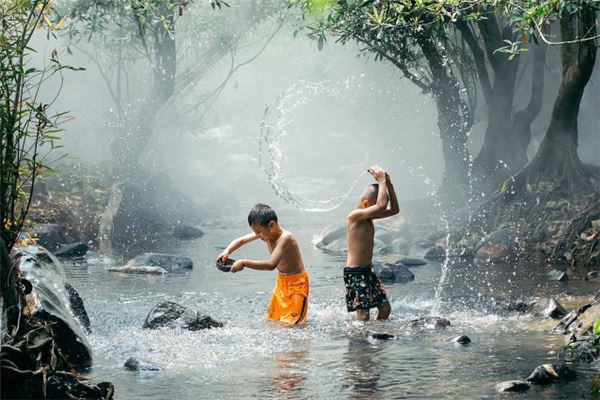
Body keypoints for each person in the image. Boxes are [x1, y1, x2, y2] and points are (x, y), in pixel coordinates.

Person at [218, 204, 309, 325]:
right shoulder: (266, 234)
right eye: (255, 232)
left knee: (293, 325)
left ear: (272, 225)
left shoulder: (286, 238)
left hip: (297, 285)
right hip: (281, 283)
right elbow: (241, 241)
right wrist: (227, 251)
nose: (257, 235)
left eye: (259, 232)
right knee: (272, 321)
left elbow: (271, 264)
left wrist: (244, 263)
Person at [344, 165, 399, 321]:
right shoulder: (355, 216)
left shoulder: (368, 217)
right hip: (355, 273)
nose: (381, 210)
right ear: (367, 205)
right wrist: (381, 181)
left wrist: (389, 185)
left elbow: (394, 210)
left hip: (367, 271)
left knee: (385, 309)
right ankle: (361, 342)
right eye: (376, 207)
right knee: (363, 314)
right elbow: (381, 206)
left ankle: (375, 336)